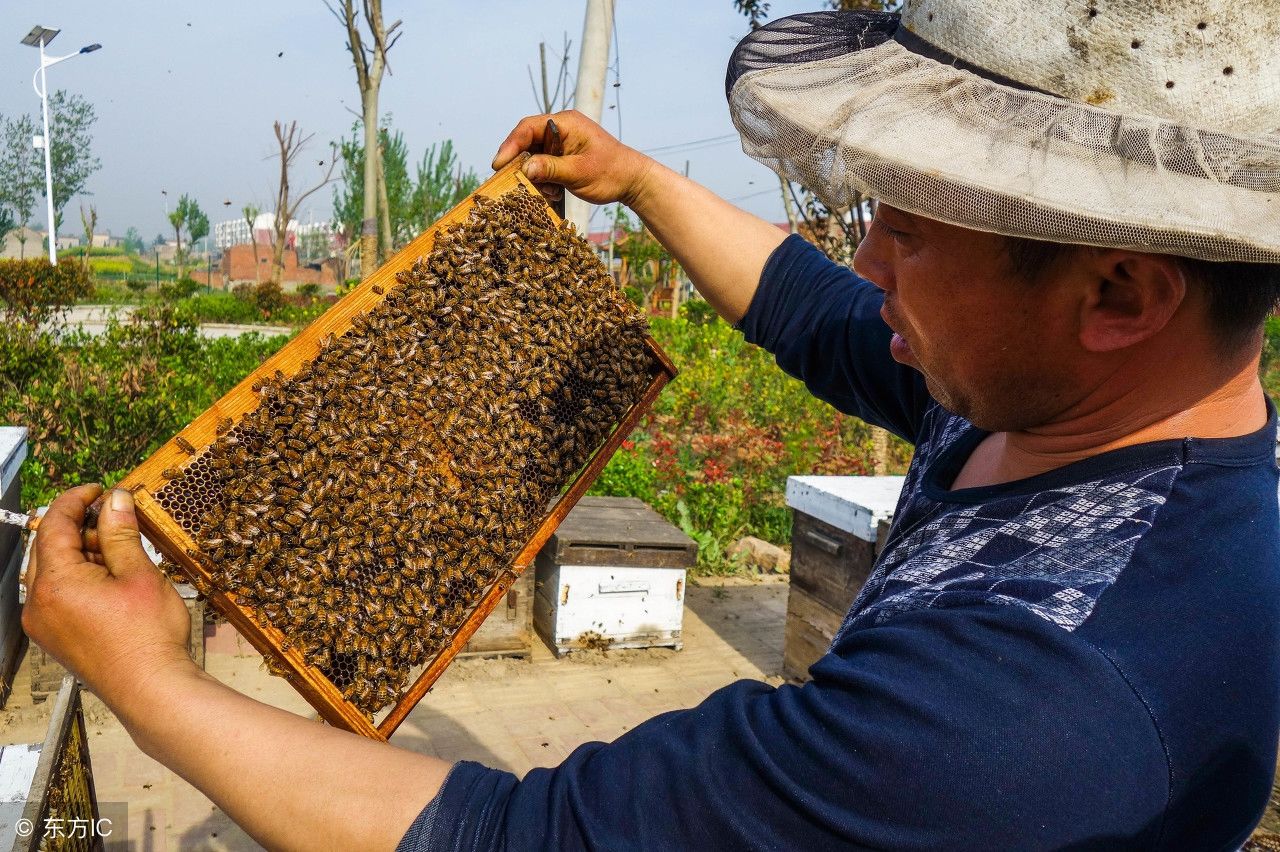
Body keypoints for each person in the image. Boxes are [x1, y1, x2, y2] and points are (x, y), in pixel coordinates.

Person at [22, 1, 1280, 849]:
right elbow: (827, 316)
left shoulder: (1032, 704)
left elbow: (531, 840)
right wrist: (635, 179)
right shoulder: (1087, 410)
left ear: (1118, 291)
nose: (866, 248)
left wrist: (146, 678)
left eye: (910, 222)